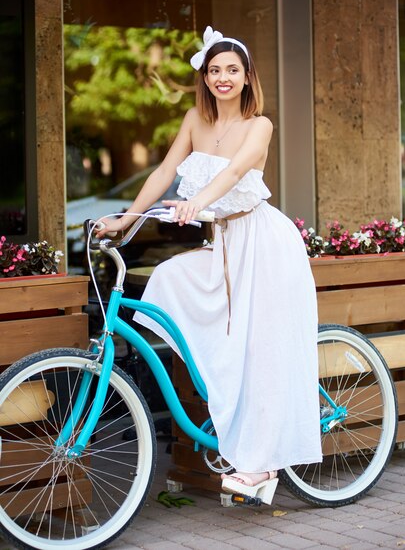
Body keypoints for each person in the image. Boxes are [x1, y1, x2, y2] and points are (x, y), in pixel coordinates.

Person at [96, 26, 322, 504]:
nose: (222, 78)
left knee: (259, 350)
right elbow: (162, 171)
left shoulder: (260, 124)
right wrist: (126, 217)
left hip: (261, 241)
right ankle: (214, 394)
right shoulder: (194, 120)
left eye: (232, 71)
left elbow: (238, 170)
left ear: (246, 77)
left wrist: (195, 201)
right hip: (221, 246)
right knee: (167, 278)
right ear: (205, 75)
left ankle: (261, 465)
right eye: (215, 70)